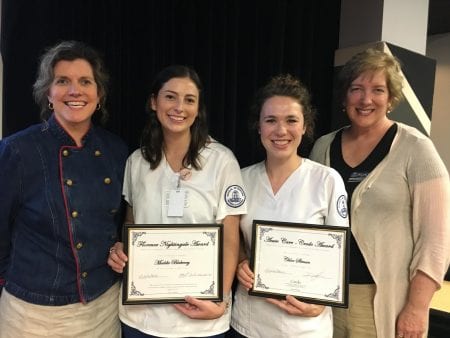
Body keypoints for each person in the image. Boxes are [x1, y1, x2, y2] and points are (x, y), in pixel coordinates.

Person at [309, 48, 450, 338]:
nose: (365, 99)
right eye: (356, 89)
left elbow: (436, 241)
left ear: (391, 98)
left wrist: (417, 307)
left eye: (377, 90)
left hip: (383, 302)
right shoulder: (323, 147)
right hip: (323, 298)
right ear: (345, 96)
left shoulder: (416, 150)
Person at [107, 65, 247, 338]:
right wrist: (122, 248)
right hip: (142, 318)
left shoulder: (221, 161)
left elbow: (231, 238)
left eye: (189, 99)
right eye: (170, 96)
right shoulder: (137, 161)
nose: (179, 107)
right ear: (153, 102)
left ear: (198, 108)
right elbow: (131, 223)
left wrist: (220, 300)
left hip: (200, 317)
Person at [0, 40, 128, 337]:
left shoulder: (116, 150)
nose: (75, 91)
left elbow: (119, 222)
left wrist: (120, 248)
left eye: (85, 81)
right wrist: (13, 280)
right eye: (62, 81)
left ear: (99, 95)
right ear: (49, 93)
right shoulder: (17, 151)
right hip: (32, 314)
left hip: (102, 306)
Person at [229, 74, 349, 338]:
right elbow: (232, 239)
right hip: (250, 324)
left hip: (305, 327)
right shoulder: (241, 179)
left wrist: (320, 304)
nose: (281, 131)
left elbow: (338, 253)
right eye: (270, 120)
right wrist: (240, 263)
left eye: (291, 120)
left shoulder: (326, 181)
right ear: (258, 126)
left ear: (305, 126)